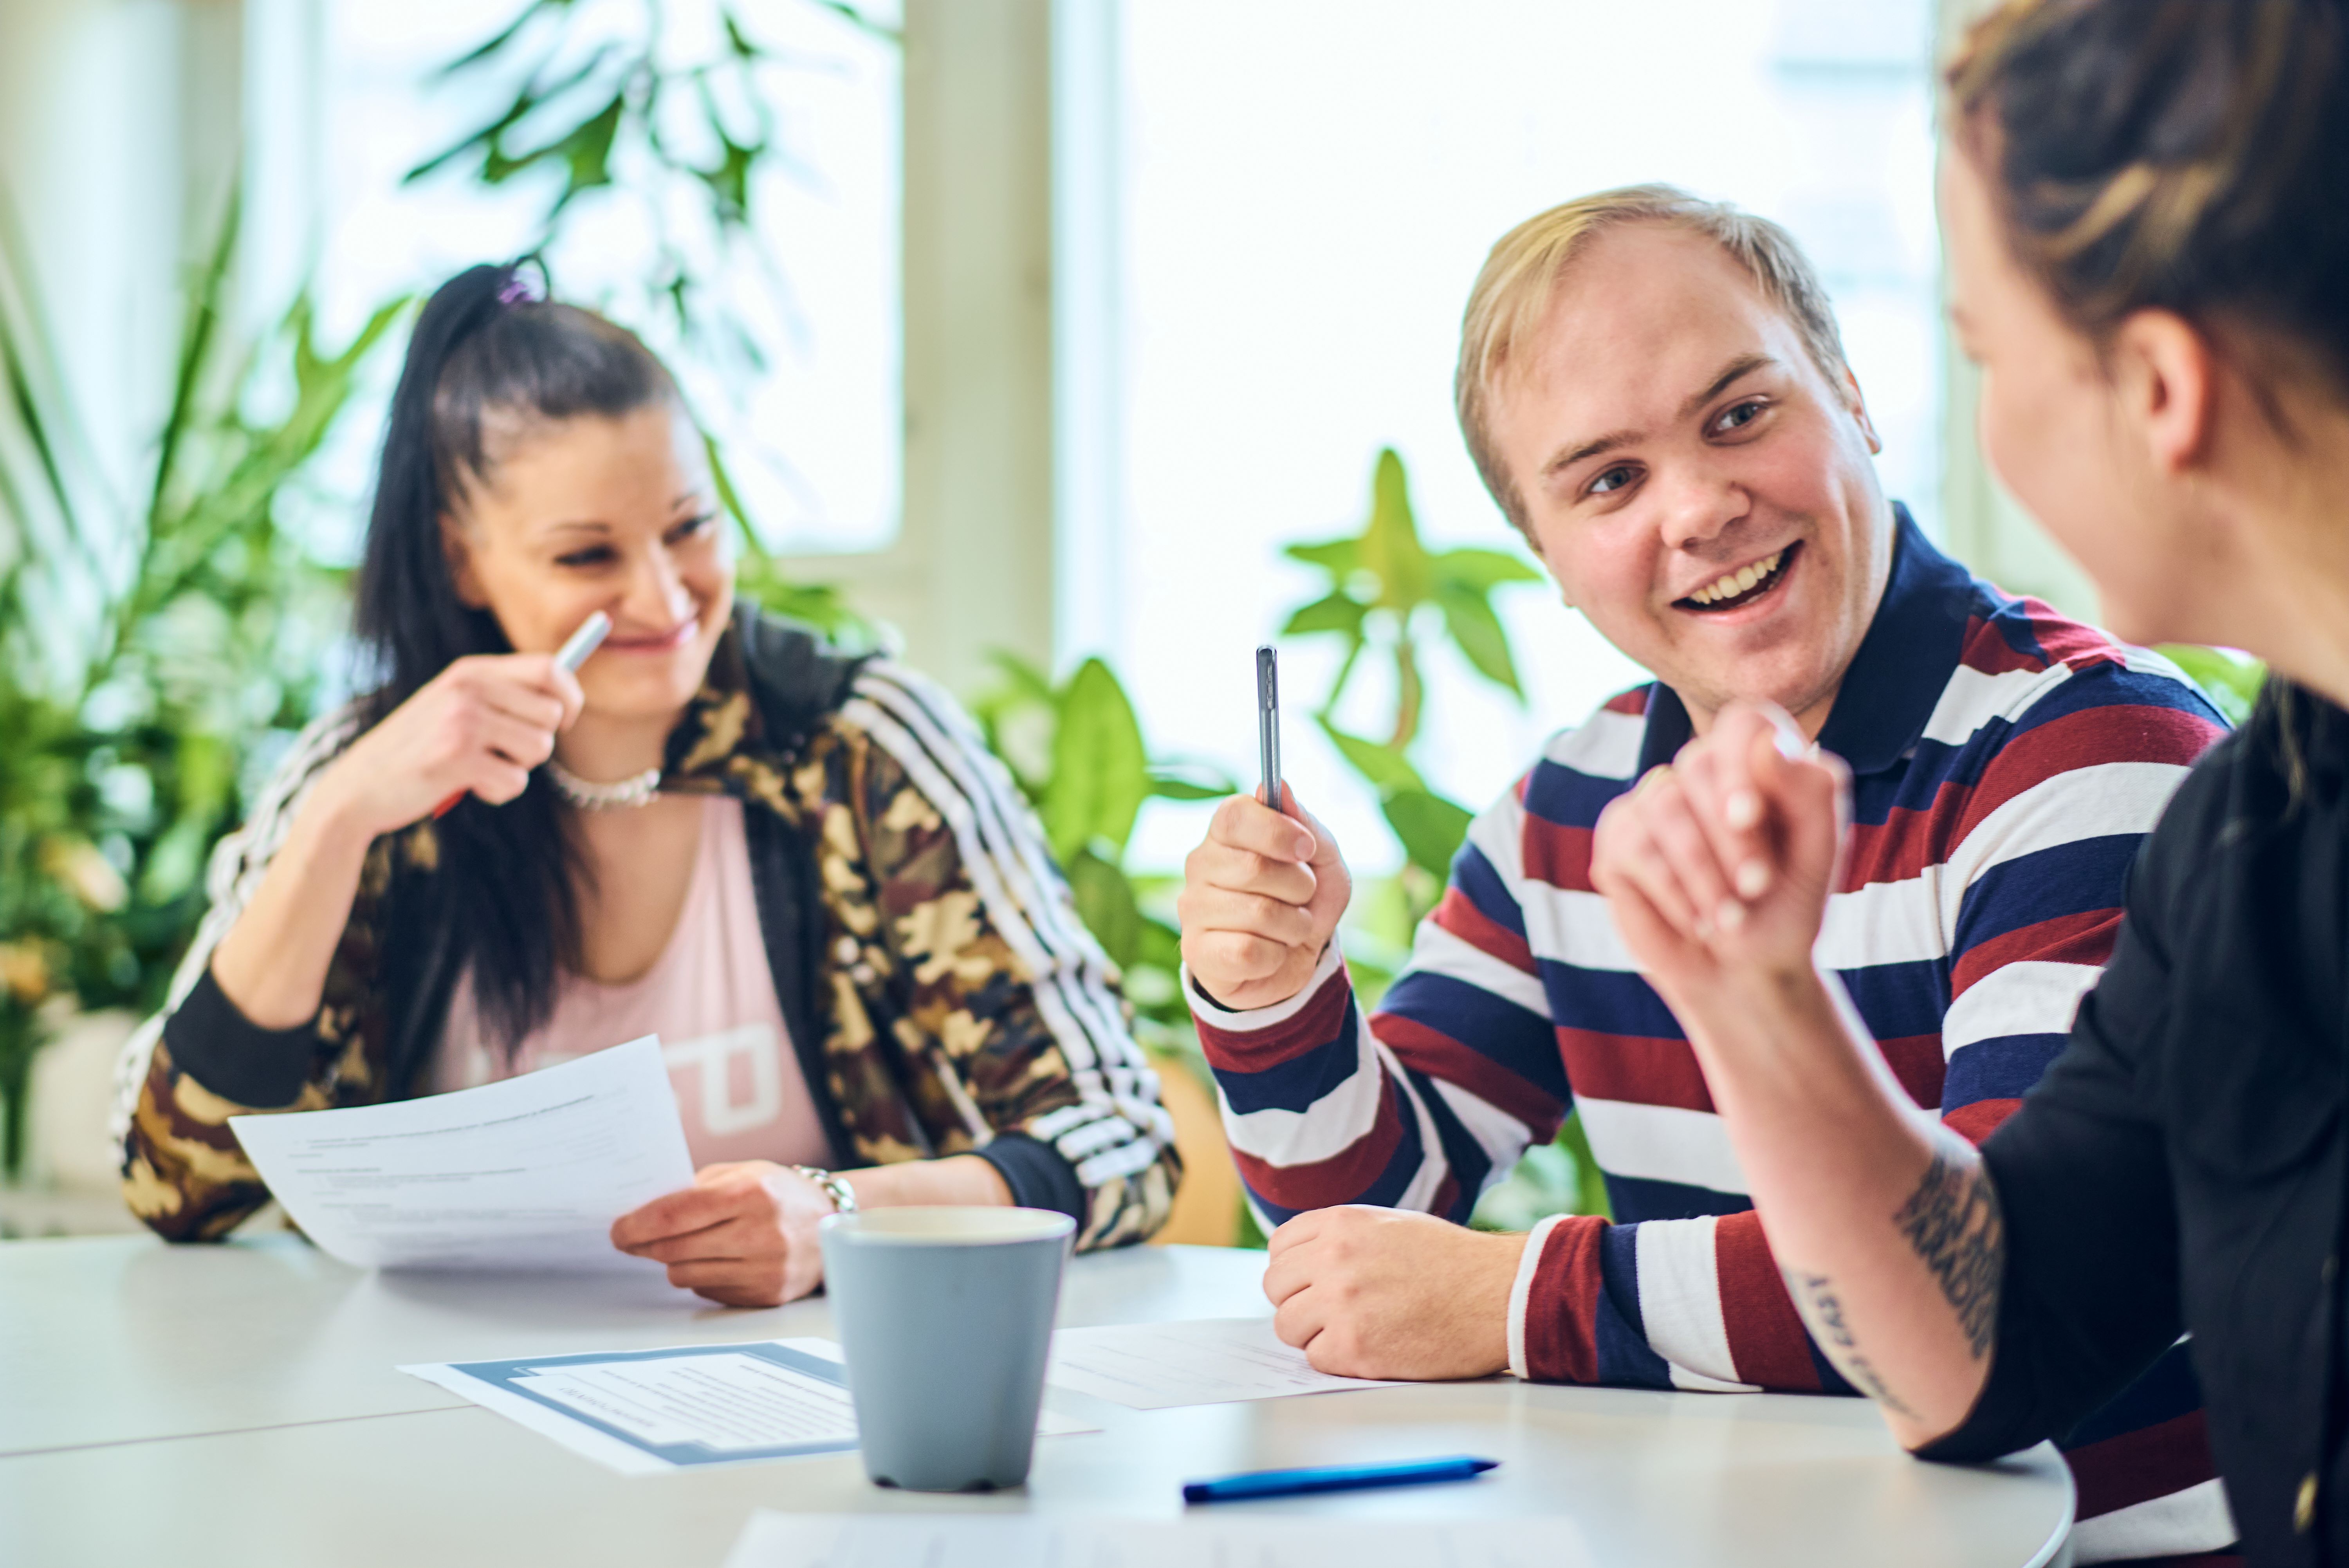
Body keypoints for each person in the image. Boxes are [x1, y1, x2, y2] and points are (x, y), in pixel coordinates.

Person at [1177, 187, 2235, 1560]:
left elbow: (1985, 1284)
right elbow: (1365, 1241)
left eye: (1740, 415)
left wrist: (1515, 1299)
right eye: (1608, 480)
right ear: (1545, 560)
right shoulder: (1571, 801)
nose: (1700, 506)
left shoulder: (2084, 750)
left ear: (1851, 397)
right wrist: (1268, 994)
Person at [1584, 2, 2349, 1564]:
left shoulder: (2111, 750)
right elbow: (1991, 1347)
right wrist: (1758, 999)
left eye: (1989, 352)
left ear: (2156, 390)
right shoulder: (2252, 840)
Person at [111, 263, 1180, 1303]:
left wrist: (838, 1215)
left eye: (690, 527)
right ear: (461, 561)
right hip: (426, 1407)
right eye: (588, 557)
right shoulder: (378, 773)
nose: (664, 597)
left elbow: (1119, 1133)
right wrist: (337, 820)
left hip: (802, 1403)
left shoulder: (861, 750)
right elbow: (174, 1184)